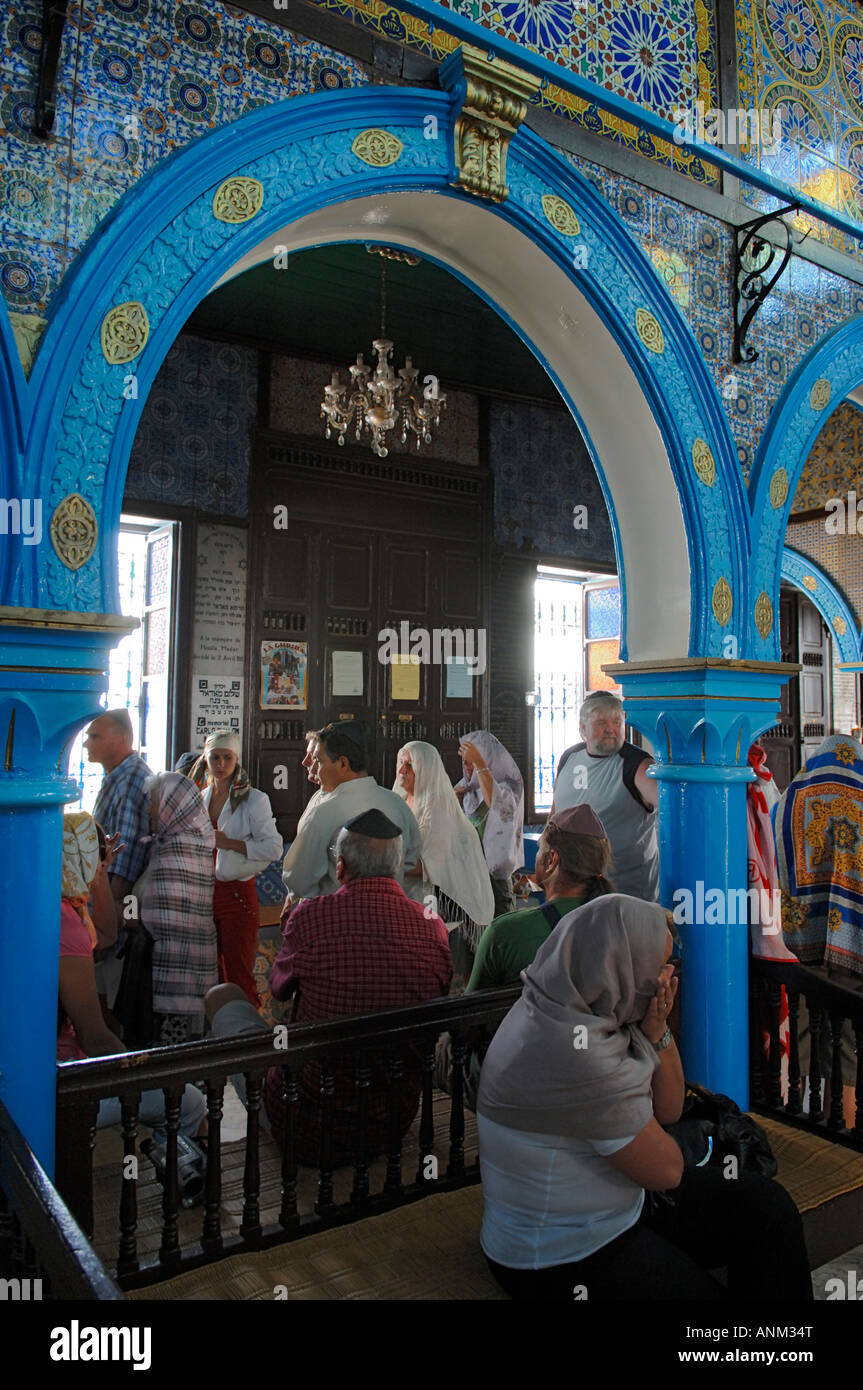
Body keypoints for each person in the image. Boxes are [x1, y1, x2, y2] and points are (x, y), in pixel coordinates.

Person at [477, 894, 813, 1301]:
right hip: (561, 1254)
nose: (668, 976)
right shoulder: (573, 1049)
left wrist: (657, 1032)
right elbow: (667, 1171)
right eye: (660, 965)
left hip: (619, 1206)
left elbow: (668, 1110)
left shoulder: (580, 1000)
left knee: (767, 1210)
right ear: (623, 966)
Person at [207, 809, 452, 1164]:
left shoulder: (312, 915)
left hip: (306, 1124)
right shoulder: (432, 924)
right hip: (392, 1122)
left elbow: (277, 988)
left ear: (340, 867)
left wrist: (292, 927)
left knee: (222, 996)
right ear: (397, 867)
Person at [57, 812, 206, 1166]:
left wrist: (98, 876)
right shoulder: (64, 921)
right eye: (94, 855)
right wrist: (140, 1070)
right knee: (190, 1102)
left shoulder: (57, 904)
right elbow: (95, 1038)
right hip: (58, 1083)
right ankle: (182, 1182)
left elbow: (106, 937)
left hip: (46, 1069)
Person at [776, 734, 863, 1119]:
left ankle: (797, 1112)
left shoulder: (787, 804)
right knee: (848, 1037)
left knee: (802, 1028)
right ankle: (844, 1121)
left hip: (796, 946)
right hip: (853, 946)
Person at [467, 804, 613, 992]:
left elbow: (471, 1014)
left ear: (551, 860)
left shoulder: (504, 934)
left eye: (539, 848)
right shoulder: (621, 924)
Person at [188, 731, 283, 1009]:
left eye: (227, 758)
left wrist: (229, 843)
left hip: (238, 894)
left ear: (237, 760)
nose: (220, 764)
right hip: (205, 892)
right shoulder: (199, 798)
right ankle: (218, 1032)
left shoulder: (254, 799)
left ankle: (247, 1035)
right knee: (211, 971)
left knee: (239, 970)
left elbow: (273, 848)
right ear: (206, 760)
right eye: (215, 757)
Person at [281, 721, 421, 902]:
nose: (315, 768)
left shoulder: (325, 813)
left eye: (319, 760)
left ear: (343, 764)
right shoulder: (397, 803)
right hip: (389, 916)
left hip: (335, 921)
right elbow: (410, 861)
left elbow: (299, 880)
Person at [393, 741, 494, 981]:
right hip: (407, 895)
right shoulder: (401, 800)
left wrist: (381, 866)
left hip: (435, 900)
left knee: (431, 974)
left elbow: (427, 864)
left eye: (410, 765)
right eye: (401, 763)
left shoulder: (435, 810)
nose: (402, 770)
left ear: (426, 770)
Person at [552, 692, 659, 902]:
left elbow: (670, 805)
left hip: (626, 896)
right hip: (573, 893)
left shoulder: (636, 764)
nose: (611, 729)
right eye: (601, 722)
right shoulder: (569, 758)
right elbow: (555, 814)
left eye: (617, 721)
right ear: (582, 728)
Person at [139, 772, 219, 1045]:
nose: (149, 809)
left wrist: (128, 917)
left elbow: (162, 918)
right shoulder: (193, 841)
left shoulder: (178, 848)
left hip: (175, 969)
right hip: (192, 966)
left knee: (170, 1053)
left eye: (154, 802)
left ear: (172, 804)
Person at [87, 709, 153, 922]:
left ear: (122, 738)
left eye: (95, 736)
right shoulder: (117, 776)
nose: (86, 743)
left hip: (115, 904)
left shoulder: (130, 782)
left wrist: (110, 919)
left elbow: (125, 859)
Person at [454, 731, 524, 918]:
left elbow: (496, 803)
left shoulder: (508, 789)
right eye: (465, 761)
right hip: (468, 879)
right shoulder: (465, 789)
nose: (467, 767)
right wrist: (454, 803)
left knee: (500, 933)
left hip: (496, 881)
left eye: (472, 761)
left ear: (489, 760)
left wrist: (480, 764)